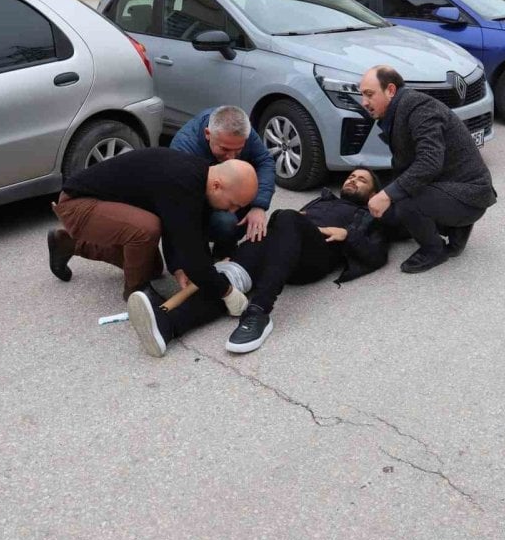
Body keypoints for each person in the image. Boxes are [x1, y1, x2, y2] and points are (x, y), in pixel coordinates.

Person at [126, 169, 389, 358]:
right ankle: (169, 325)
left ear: (373, 193)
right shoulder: (324, 199)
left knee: (286, 217)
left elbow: (377, 255)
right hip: (282, 249)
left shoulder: (368, 214)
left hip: (315, 257)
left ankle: (259, 312)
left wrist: (347, 235)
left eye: (362, 179)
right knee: (231, 285)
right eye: (351, 176)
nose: (353, 179)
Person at [47, 148, 258, 313]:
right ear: (217, 186)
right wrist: (226, 292)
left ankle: (68, 244)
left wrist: (178, 267)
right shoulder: (182, 183)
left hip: (105, 206)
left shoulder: (198, 175)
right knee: (146, 230)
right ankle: (135, 291)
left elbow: (189, 231)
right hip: (78, 205)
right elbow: (192, 252)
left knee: (152, 268)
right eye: (233, 204)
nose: (233, 211)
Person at [358, 65, 497, 274]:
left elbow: (429, 162)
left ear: (391, 90)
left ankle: (434, 250)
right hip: (454, 188)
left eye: (370, 94)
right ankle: (456, 229)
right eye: (362, 95)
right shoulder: (400, 109)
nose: (364, 102)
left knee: (405, 200)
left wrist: (388, 195)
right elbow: (406, 165)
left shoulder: (419, 108)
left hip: (470, 195)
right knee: (394, 212)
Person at [170, 105, 276, 258]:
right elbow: (183, 209)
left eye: (238, 150)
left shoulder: (243, 132)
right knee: (225, 221)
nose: (232, 157)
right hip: (197, 201)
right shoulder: (183, 149)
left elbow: (265, 162)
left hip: (226, 192)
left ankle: (225, 251)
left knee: (243, 213)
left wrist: (259, 206)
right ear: (208, 134)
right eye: (225, 149)